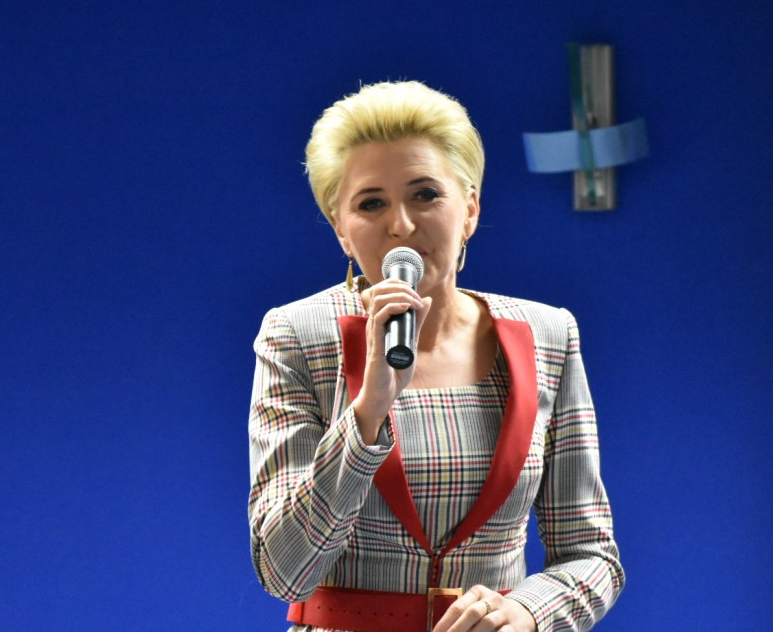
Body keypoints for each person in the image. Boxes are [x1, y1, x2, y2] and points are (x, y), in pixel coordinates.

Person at [248, 81, 624, 632]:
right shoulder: (296, 335)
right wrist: (367, 413)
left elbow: (592, 556)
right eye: (371, 203)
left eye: (425, 195)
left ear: (469, 209)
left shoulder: (547, 335)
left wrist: (527, 611)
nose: (401, 224)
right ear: (341, 231)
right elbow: (284, 573)